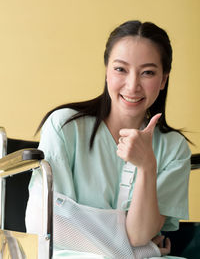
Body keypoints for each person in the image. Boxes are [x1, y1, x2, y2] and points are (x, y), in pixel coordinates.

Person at [25, 20, 191, 259]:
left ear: (163, 80)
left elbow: (138, 235)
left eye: (148, 72)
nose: (132, 85)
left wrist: (147, 166)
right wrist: (135, 251)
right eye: (120, 69)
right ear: (106, 71)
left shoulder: (174, 148)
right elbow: (52, 225)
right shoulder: (64, 127)